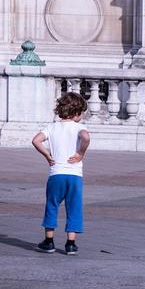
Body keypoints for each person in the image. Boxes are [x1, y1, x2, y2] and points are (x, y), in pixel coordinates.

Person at [32, 92, 91, 255]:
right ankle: (70, 244)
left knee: (52, 205)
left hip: (56, 174)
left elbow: (36, 140)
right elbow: (86, 137)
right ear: (77, 112)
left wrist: (47, 155)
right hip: (74, 175)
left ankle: (49, 241)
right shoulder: (79, 128)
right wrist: (80, 153)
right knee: (74, 207)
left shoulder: (52, 127)